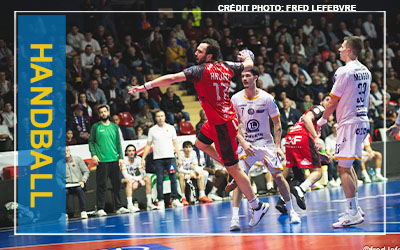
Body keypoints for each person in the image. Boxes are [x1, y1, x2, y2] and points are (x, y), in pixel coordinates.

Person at [129, 38, 269, 228]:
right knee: (200, 143)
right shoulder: (227, 66)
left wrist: (145, 86)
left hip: (222, 124)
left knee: (235, 169)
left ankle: (256, 205)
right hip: (216, 121)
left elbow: (171, 78)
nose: (195, 53)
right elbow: (249, 64)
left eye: (199, 51)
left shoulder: (200, 71)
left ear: (208, 56)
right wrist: (247, 55)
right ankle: (230, 165)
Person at [228, 68, 301, 231]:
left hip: (266, 144)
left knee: (279, 178)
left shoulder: (267, 98)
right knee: (240, 180)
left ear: (256, 78)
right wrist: (243, 142)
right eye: (242, 76)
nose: (245, 79)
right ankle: (234, 218)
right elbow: (234, 124)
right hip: (247, 145)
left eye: (248, 76)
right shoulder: (236, 98)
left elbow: (277, 123)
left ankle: (291, 211)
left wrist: (277, 146)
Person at [317, 36, 370, 228]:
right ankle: (354, 207)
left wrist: (322, 119)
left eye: (341, 46)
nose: (339, 49)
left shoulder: (344, 71)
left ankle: (352, 213)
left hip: (349, 122)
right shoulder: (366, 70)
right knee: (348, 166)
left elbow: (333, 100)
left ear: (349, 50)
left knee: (343, 168)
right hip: (362, 120)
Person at [285, 95, 332, 210]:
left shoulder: (322, 120)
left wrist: (319, 155)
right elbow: (306, 119)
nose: (330, 102)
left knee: (298, 177)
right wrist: (316, 138)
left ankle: (282, 201)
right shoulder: (320, 109)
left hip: (291, 139)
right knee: (317, 172)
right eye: (327, 100)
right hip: (302, 138)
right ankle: (301, 190)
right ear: (321, 102)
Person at [88, 105, 129, 216]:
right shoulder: (95, 127)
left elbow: (118, 143)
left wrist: (121, 157)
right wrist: (94, 155)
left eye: (105, 111)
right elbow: (91, 142)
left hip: (114, 160)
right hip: (102, 161)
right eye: (101, 112)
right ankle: (100, 208)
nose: (103, 114)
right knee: (101, 185)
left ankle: (119, 207)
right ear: (98, 114)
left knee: (117, 184)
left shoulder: (114, 127)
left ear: (108, 112)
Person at [140, 110, 183, 209]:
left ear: (164, 117)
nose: (160, 118)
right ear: (155, 118)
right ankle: (160, 201)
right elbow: (148, 145)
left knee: (173, 178)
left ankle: (175, 199)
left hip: (170, 159)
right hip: (158, 159)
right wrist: (143, 158)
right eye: (158, 116)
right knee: (159, 179)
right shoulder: (152, 130)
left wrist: (179, 158)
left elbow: (175, 143)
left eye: (162, 116)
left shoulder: (171, 128)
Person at [121, 144, 159, 212]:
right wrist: (137, 180)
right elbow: (125, 175)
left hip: (136, 178)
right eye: (129, 151)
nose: (131, 152)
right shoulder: (124, 160)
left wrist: (138, 180)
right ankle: (130, 205)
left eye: (133, 151)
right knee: (129, 181)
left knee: (147, 179)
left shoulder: (138, 159)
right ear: (126, 152)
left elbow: (143, 173)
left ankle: (149, 203)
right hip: (123, 179)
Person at [178, 141, 213, 205]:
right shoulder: (179, 155)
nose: (188, 149)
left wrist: (197, 171)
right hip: (181, 172)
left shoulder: (193, 153)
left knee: (201, 173)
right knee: (181, 175)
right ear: (183, 149)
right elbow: (179, 169)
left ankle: (202, 194)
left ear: (192, 148)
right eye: (186, 147)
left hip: (190, 171)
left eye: (190, 147)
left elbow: (195, 165)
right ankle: (183, 197)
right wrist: (190, 172)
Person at [65, 146, 90, 219]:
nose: (65, 152)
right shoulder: (59, 163)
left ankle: (83, 211)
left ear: (70, 152)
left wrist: (83, 180)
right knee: (63, 192)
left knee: (79, 189)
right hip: (67, 185)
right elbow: (58, 177)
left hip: (78, 183)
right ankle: (64, 213)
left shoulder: (77, 159)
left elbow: (86, 171)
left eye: (67, 150)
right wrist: (61, 184)